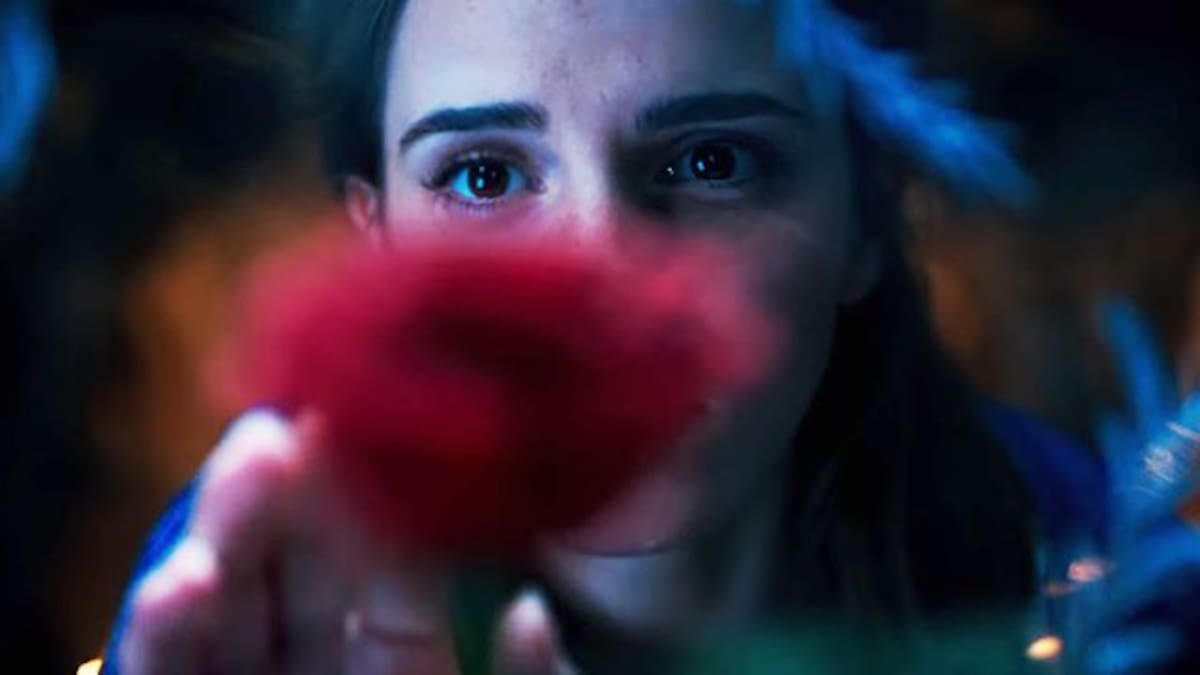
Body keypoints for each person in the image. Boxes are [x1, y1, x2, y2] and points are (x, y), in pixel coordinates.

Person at [99, 1, 1199, 673]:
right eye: (483, 177)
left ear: (869, 217)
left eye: (714, 161)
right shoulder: (241, 603)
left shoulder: (1103, 584)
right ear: (375, 237)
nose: (600, 272)